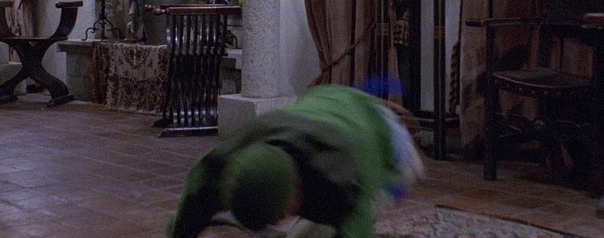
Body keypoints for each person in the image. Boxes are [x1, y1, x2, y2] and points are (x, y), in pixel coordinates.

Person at [165, 84, 424, 238]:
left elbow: (357, 228)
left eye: (279, 214)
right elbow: (194, 199)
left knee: (321, 231)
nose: (277, 222)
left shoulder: (346, 179)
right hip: (325, 101)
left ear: (296, 187)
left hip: (388, 137)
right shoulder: (226, 160)